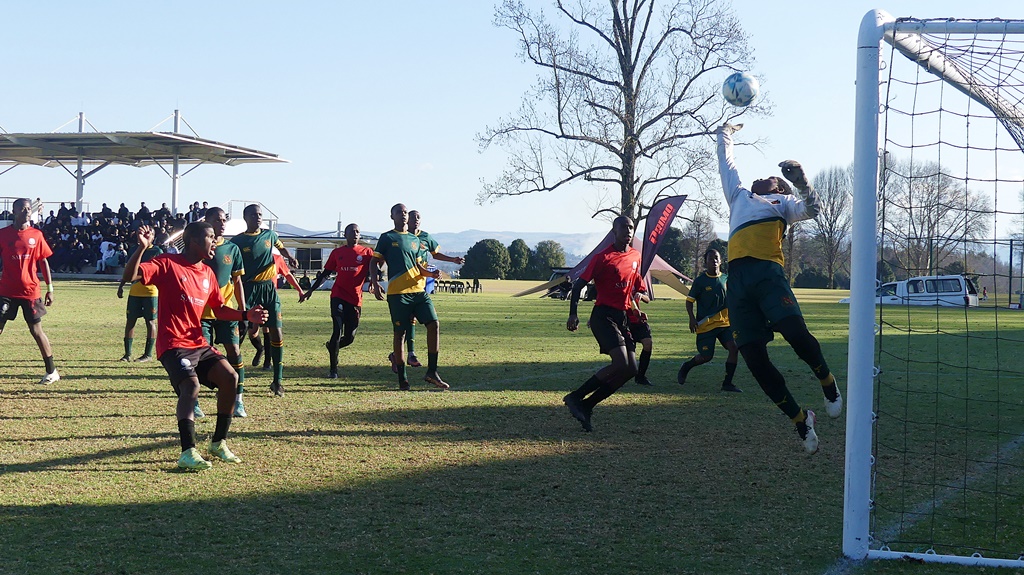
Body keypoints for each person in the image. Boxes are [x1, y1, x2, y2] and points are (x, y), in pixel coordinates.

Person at [716, 123, 842, 454]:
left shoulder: (783, 203)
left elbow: (812, 210)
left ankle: (828, 383)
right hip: (738, 284)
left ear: (780, 187)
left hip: (768, 276)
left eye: (773, 178)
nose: (764, 176)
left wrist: (802, 184)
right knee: (755, 361)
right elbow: (726, 163)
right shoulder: (739, 196)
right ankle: (801, 420)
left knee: (796, 334)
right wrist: (724, 132)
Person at [122, 222, 268, 471]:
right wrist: (142, 248)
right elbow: (129, 277)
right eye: (210, 237)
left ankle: (218, 443)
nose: (215, 240)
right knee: (191, 385)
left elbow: (219, 309)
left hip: (197, 342)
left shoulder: (208, 273)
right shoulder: (167, 263)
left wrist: (247, 316)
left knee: (230, 377)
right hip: (173, 344)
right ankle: (188, 451)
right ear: (193, 241)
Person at [563, 216, 644, 432]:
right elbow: (579, 284)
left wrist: (637, 310)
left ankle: (587, 405)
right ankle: (576, 397)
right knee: (620, 364)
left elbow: (633, 290)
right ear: (614, 231)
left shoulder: (636, 256)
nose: (628, 230)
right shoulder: (603, 257)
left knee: (631, 369)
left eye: (631, 227)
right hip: (603, 316)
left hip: (623, 318)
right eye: (624, 227)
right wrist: (573, 314)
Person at [370, 204, 458, 391]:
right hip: (398, 294)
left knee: (434, 324)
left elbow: (418, 266)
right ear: (391, 216)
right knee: (400, 333)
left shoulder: (415, 239)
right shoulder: (387, 237)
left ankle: (432, 372)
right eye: (399, 212)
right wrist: (375, 282)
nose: (403, 215)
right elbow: (374, 261)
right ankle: (402, 379)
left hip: (418, 292)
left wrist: (431, 274)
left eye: (405, 212)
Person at [230, 204, 301, 397]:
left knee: (276, 332)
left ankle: (277, 381)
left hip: (268, 290)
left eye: (260, 214)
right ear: (246, 217)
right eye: (254, 214)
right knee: (241, 333)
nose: (258, 217)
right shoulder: (237, 241)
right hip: (249, 288)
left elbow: (281, 248)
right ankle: (230, 378)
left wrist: (290, 258)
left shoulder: (270, 235)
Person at [194, 207, 249, 418]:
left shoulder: (232, 249)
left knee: (234, 351)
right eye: (217, 220)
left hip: (226, 312)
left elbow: (237, 282)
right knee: (198, 356)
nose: (222, 223)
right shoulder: (198, 248)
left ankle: (238, 400)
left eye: (224, 220)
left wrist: (243, 311)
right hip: (201, 313)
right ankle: (194, 401)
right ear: (207, 222)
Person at [300, 223, 374, 378]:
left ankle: (332, 347)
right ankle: (333, 369)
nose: (355, 234)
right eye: (351, 232)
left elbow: (374, 270)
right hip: (338, 296)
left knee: (350, 337)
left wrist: (374, 283)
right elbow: (325, 274)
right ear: (345, 235)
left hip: (355, 299)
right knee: (337, 329)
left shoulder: (367, 252)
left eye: (357, 232)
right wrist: (311, 291)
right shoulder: (337, 252)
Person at [0, 198, 59, 384]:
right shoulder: (3, 234)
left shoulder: (37, 235)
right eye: (23, 208)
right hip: (6, 291)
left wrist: (50, 288)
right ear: (14, 211)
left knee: (36, 330)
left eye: (28, 208)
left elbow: (44, 262)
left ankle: (52, 371)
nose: (26, 211)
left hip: (30, 291)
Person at [396, 210, 464, 369]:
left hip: (421, 281)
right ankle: (407, 354)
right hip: (404, 282)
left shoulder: (425, 237)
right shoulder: (402, 237)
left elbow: (435, 253)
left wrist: (452, 260)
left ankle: (402, 354)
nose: (416, 220)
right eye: (413, 218)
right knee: (409, 319)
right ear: (407, 221)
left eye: (419, 218)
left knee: (420, 320)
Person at [677, 248, 742, 392]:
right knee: (706, 356)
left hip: (725, 323)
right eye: (711, 258)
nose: (714, 261)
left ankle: (727, 383)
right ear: (705, 262)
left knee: (733, 348)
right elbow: (689, 301)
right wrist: (692, 319)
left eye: (716, 258)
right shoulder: (700, 281)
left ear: (721, 261)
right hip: (706, 325)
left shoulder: (726, 279)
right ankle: (686, 366)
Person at [117, 237, 163, 362]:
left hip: (150, 292)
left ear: (154, 236)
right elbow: (128, 270)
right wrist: (121, 286)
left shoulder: (157, 251)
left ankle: (147, 354)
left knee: (150, 322)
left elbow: (161, 271)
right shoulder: (133, 250)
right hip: (135, 291)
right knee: (130, 321)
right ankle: (127, 354)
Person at [627, 291, 655, 386]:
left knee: (648, 344)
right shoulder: (619, 279)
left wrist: (642, 296)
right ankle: (619, 376)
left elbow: (647, 300)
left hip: (638, 321)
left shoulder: (637, 278)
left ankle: (640, 377)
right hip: (623, 320)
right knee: (627, 350)